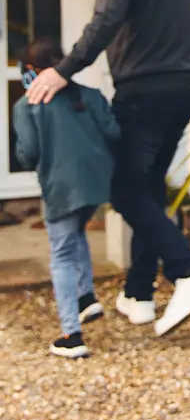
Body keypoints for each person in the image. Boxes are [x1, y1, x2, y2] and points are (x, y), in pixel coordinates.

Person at [26, 0, 190, 336]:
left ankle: (188, 273)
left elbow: (107, 16)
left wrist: (62, 71)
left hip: (144, 89)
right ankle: (138, 295)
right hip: (184, 84)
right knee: (150, 188)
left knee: (125, 189)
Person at [14, 39, 120, 359]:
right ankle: (86, 297)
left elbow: (28, 154)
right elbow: (115, 133)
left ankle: (71, 334)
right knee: (76, 234)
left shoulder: (27, 105)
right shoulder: (89, 95)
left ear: (31, 71)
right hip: (96, 186)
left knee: (61, 255)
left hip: (60, 187)